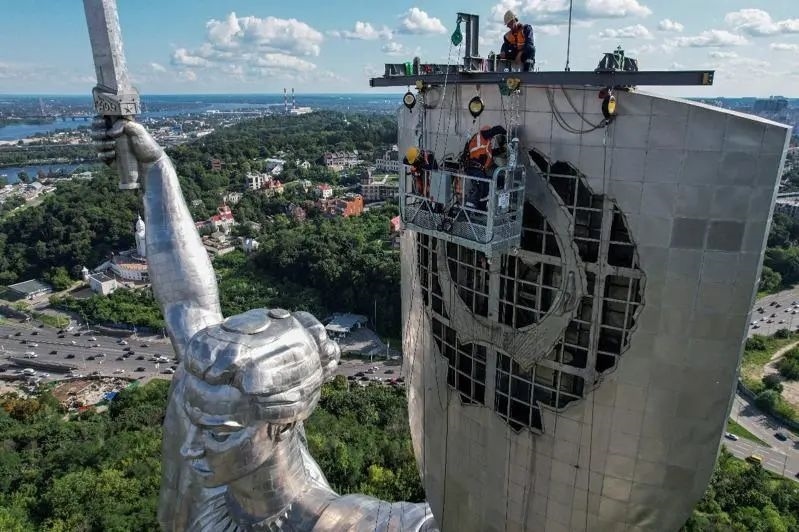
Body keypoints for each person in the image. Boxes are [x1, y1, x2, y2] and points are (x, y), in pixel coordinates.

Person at [96, 118, 439, 532]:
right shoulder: (213, 463)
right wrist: (156, 171)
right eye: (197, 425)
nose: (190, 448)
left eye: (217, 434)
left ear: (283, 424)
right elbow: (185, 299)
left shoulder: (355, 526)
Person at [461, 125, 507, 211]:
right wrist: (506, 133)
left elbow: (490, 153)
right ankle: (468, 210)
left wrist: (501, 150)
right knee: (478, 187)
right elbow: (495, 130)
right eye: (491, 136)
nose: (491, 138)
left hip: (479, 170)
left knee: (485, 188)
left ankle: (481, 209)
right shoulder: (481, 136)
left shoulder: (484, 143)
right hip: (474, 168)